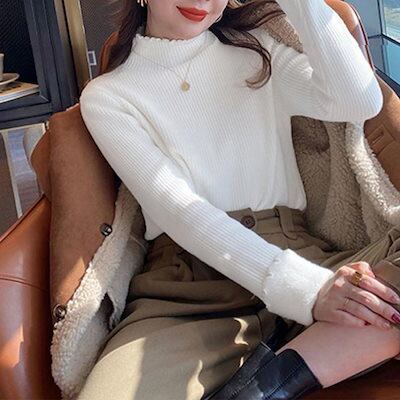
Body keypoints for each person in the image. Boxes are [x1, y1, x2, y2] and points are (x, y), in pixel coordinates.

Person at [76, 0, 400, 399]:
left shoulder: (257, 53)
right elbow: (180, 211)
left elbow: (360, 102)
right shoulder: (108, 96)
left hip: (304, 257)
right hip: (191, 292)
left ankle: (270, 384)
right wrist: (309, 291)